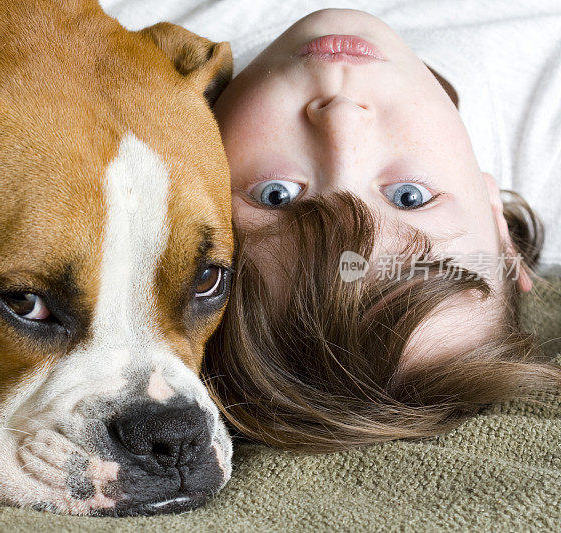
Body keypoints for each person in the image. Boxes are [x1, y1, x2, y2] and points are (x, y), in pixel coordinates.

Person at [101, 1, 561, 451]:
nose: (340, 119)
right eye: (409, 197)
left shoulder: (107, 58)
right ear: (503, 234)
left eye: (276, 194)